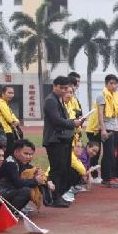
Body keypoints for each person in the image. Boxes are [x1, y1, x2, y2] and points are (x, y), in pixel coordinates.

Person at [44, 76, 82, 206]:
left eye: (66, 88)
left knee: (64, 169)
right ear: (55, 86)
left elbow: (63, 119)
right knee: (57, 170)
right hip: (55, 140)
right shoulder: (51, 100)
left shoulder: (59, 99)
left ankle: (58, 195)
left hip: (63, 139)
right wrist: (72, 123)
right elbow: (56, 120)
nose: (64, 91)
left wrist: (73, 122)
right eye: (62, 88)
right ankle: (54, 198)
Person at [87, 75, 118, 188]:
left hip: (114, 128)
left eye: (115, 83)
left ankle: (112, 176)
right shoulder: (101, 96)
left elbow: (117, 114)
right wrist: (103, 130)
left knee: (113, 153)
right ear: (106, 84)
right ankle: (107, 178)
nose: (114, 86)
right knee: (108, 153)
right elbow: (100, 114)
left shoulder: (115, 96)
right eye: (111, 83)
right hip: (107, 128)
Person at [0, 139, 46, 213]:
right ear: (16, 152)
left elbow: (35, 170)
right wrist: (36, 181)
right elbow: (18, 183)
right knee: (26, 190)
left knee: (32, 178)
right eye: (26, 153)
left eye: (31, 154)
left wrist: (47, 181)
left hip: (5, 193)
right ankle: (9, 212)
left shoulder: (22, 162)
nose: (29, 157)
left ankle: (14, 209)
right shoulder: (10, 163)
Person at [0, 85, 21, 155]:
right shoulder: (1, 102)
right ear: (3, 93)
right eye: (9, 93)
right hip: (5, 131)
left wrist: (16, 121)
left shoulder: (3, 103)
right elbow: (10, 118)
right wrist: (16, 121)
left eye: (12, 93)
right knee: (8, 153)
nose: (11, 95)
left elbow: (11, 114)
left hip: (2, 131)